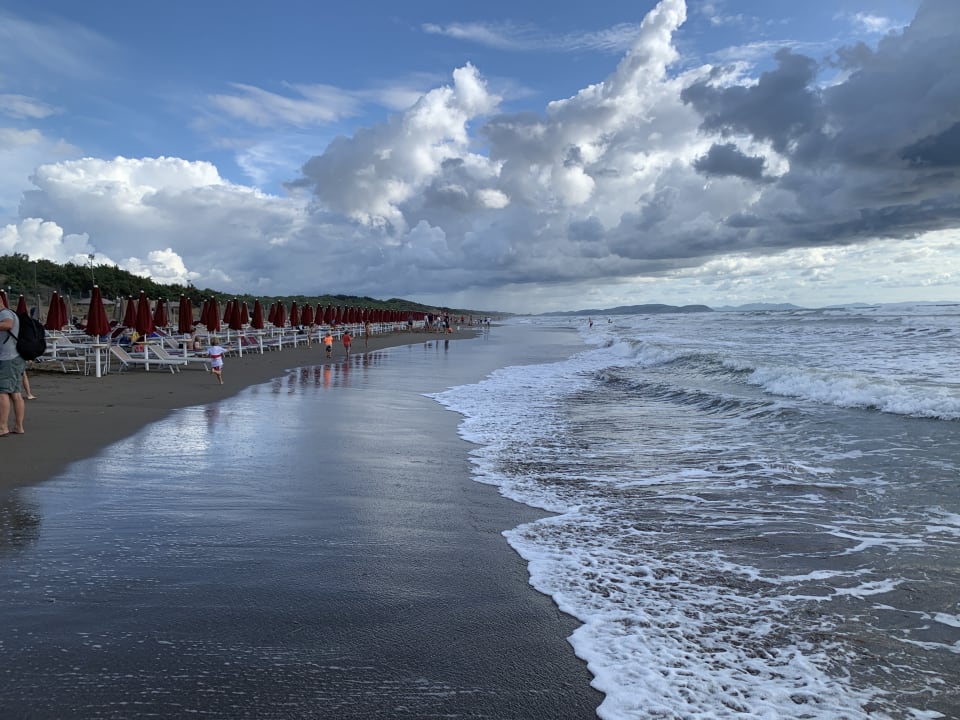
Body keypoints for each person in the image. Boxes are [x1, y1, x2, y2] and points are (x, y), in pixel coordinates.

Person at [0, 304, 26, 436]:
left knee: (2, 391)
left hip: (8, 358)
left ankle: (2, 427)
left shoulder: (4, 313)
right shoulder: (11, 313)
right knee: (15, 392)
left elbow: (7, 325)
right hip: (16, 357)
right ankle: (18, 426)